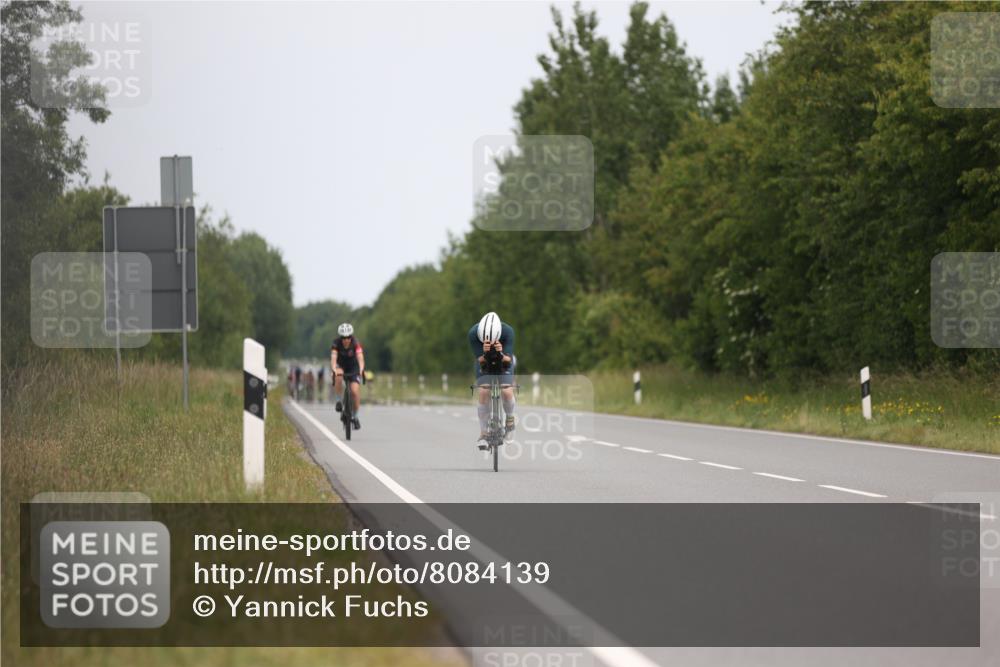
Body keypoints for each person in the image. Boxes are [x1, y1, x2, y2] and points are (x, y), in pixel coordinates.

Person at [468, 311, 515, 450]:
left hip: (503, 360)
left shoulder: (508, 332)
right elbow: (480, 360)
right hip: (484, 361)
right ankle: (483, 433)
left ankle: (510, 421)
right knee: (483, 391)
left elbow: (509, 359)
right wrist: (484, 352)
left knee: (506, 390)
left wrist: (500, 353)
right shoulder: (473, 334)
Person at [331, 322, 365, 430]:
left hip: (353, 366)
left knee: (354, 392)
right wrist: (333, 369)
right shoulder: (336, 343)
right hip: (341, 365)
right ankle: (339, 401)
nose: (346, 340)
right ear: (341, 337)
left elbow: (360, 358)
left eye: (348, 337)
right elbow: (333, 358)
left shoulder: (355, 343)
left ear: (351, 337)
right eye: (344, 338)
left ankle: (355, 416)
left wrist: (361, 369)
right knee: (338, 376)